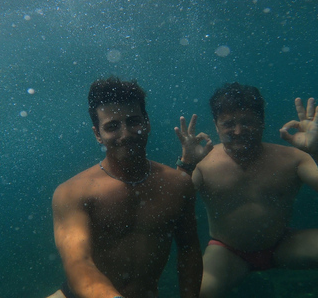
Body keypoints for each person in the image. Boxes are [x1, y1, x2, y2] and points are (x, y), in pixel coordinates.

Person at [48, 77, 202, 298]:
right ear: (97, 135)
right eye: (112, 126)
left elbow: (189, 250)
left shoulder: (178, 185)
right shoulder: (71, 193)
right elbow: (77, 262)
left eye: (133, 122)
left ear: (147, 123)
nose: (126, 134)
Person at [174, 82, 318, 298]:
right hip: (227, 252)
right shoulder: (202, 164)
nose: (239, 131)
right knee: (195, 293)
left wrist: (316, 150)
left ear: (262, 122)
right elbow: (172, 205)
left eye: (247, 122)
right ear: (216, 125)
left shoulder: (294, 159)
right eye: (229, 124)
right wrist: (187, 164)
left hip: (283, 244)